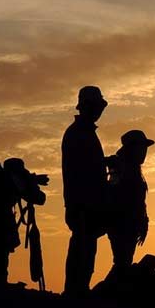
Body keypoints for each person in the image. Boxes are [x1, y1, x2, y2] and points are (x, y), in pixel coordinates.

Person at [62, 86, 109, 297]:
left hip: (85, 203)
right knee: (83, 249)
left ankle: (78, 291)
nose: (98, 111)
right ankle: (76, 293)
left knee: (86, 249)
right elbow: (83, 172)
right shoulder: (79, 134)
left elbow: (88, 167)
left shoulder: (83, 133)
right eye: (95, 106)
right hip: (83, 204)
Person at [105, 130, 154, 279]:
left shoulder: (130, 167)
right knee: (122, 263)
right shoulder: (121, 168)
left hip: (129, 224)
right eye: (141, 147)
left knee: (123, 262)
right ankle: (106, 296)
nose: (144, 152)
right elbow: (121, 198)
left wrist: (142, 220)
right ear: (132, 148)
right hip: (122, 223)